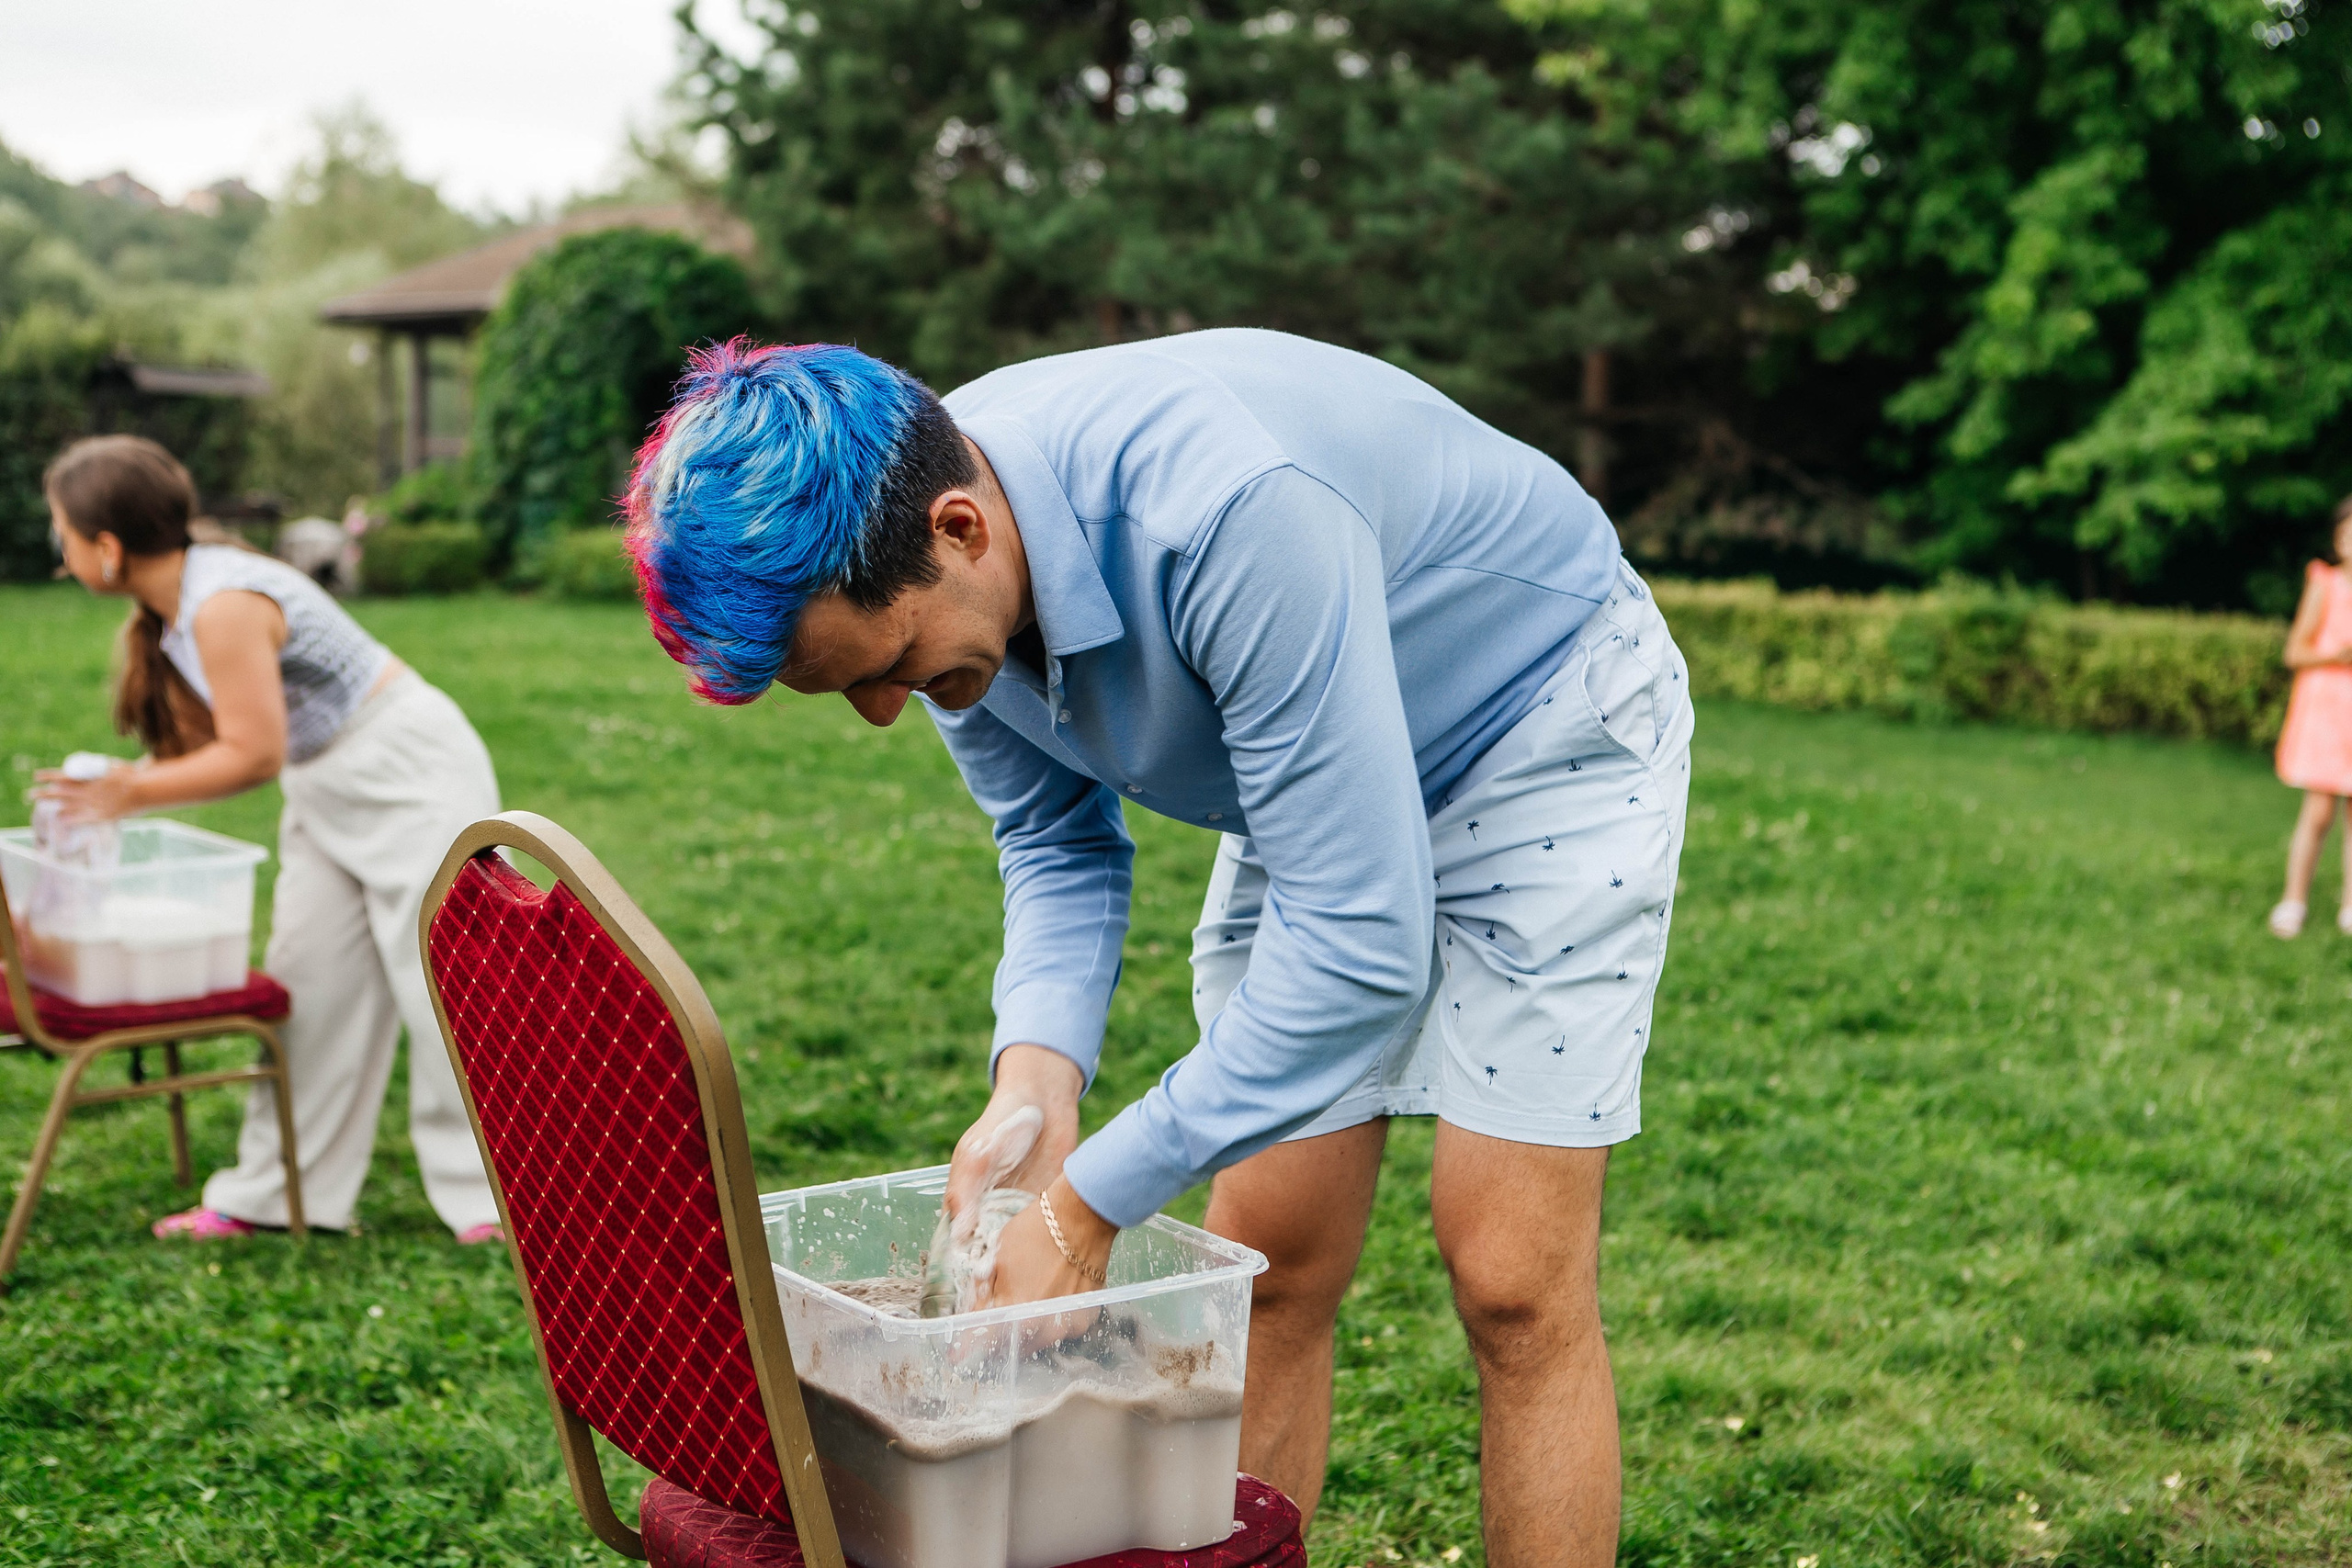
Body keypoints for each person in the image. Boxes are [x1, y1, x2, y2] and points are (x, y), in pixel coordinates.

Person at [626, 332, 1693, 1567]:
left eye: (892, 667)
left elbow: (1360, 947)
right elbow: (1056, 840)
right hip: (1311, 768)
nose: (885, 708)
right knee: (1271, 1254)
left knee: (1511, 1273)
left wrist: (1087, 1207)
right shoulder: (934, 540)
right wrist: (1037, 1081)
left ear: (963, 527)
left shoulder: (1233, 513)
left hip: (1540, 723)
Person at [33, 435, 504, 1244]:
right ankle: (280, 1193)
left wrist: (129, 793)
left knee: (441, 990)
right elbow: (245, 744)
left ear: (105, 548)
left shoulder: (222, 603)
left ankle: (498, 1204)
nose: (58, 548)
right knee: (309, 984)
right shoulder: (179, 604)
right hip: (325, 781)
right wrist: (127, 781)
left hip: (407, 769)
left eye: (61, 532)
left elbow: (251, 753)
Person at [2269, 496, 2352, 939]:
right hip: (2326, 712)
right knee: (2318, 813)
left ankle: (2351, 905)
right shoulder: (2325, 583)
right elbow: (2294, 651)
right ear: (2338, 539)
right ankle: (2293, 898)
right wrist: (2334, 655)